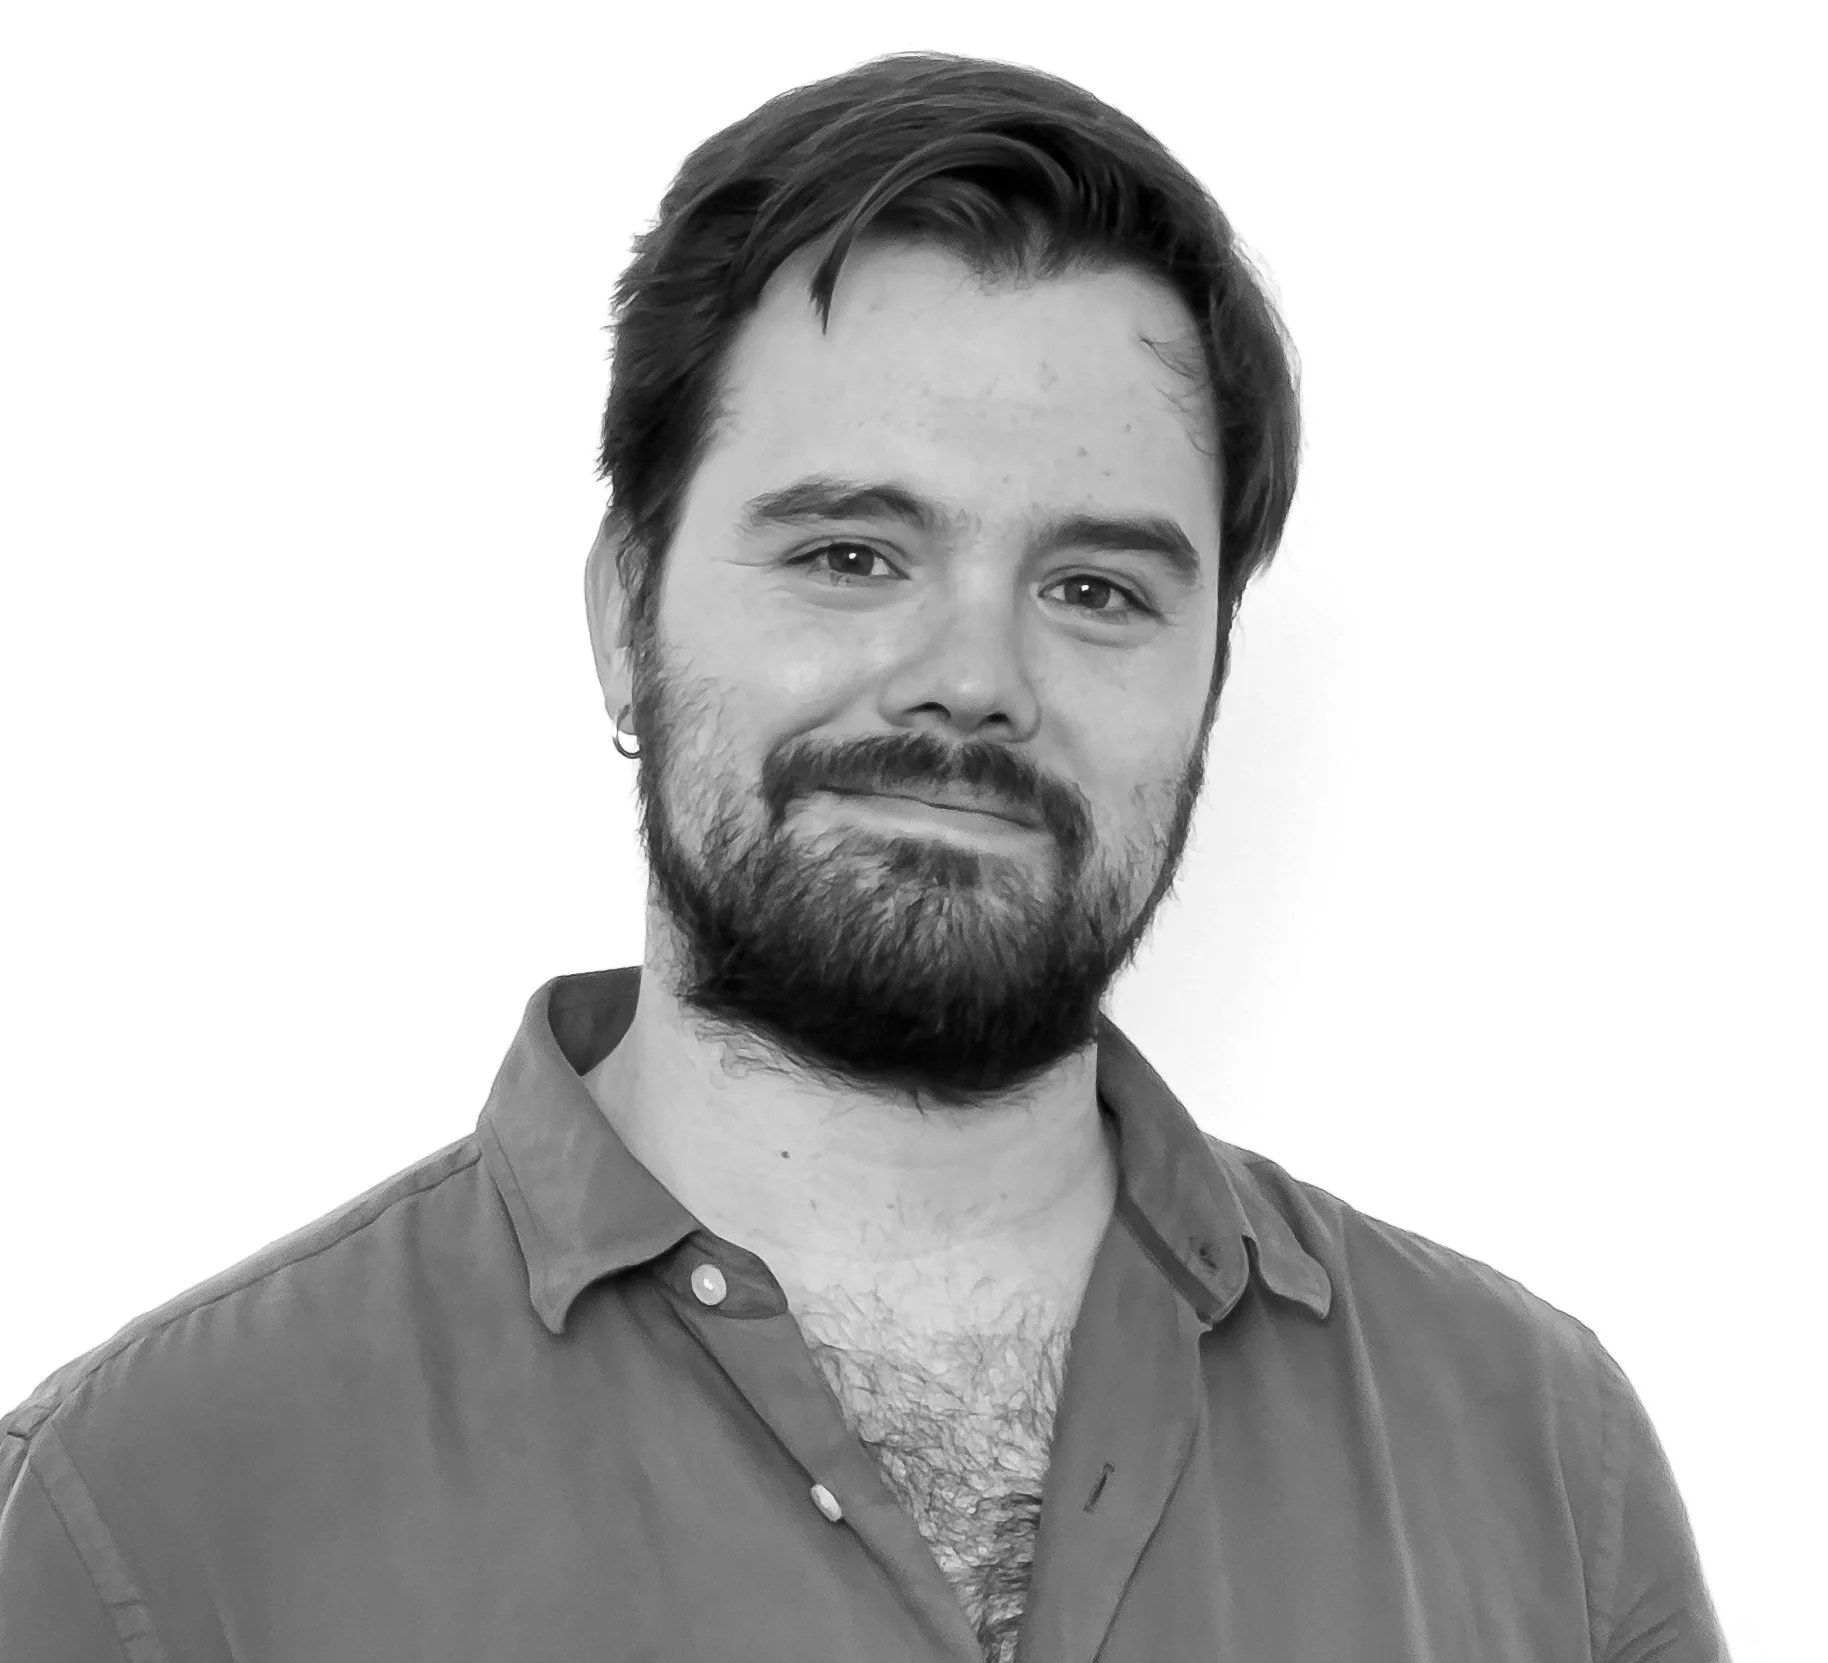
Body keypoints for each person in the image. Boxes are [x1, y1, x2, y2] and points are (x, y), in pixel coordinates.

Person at [0, 50, 1729, 1663]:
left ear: (1211, 679)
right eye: (849, 554)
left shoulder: (1539, 1461)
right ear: (623, 617)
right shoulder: (143, 1513)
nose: (974, 677)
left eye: (1097, 589)